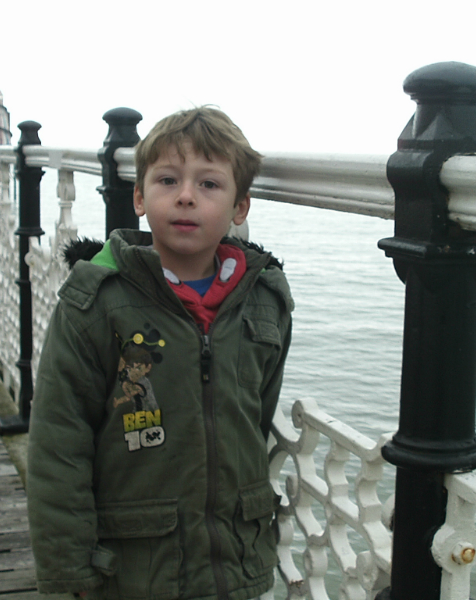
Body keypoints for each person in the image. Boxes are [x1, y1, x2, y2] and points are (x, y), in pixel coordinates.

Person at [27, 106, 294, 600]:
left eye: (210, 185)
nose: (186, 196)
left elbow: (257, 415)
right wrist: (70, 573)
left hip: (236, 560)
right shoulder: (99, 303)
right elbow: (58, 445)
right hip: (134, 571)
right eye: (167, 180)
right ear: (139, 197)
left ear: (241, 207)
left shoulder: (265, 301)